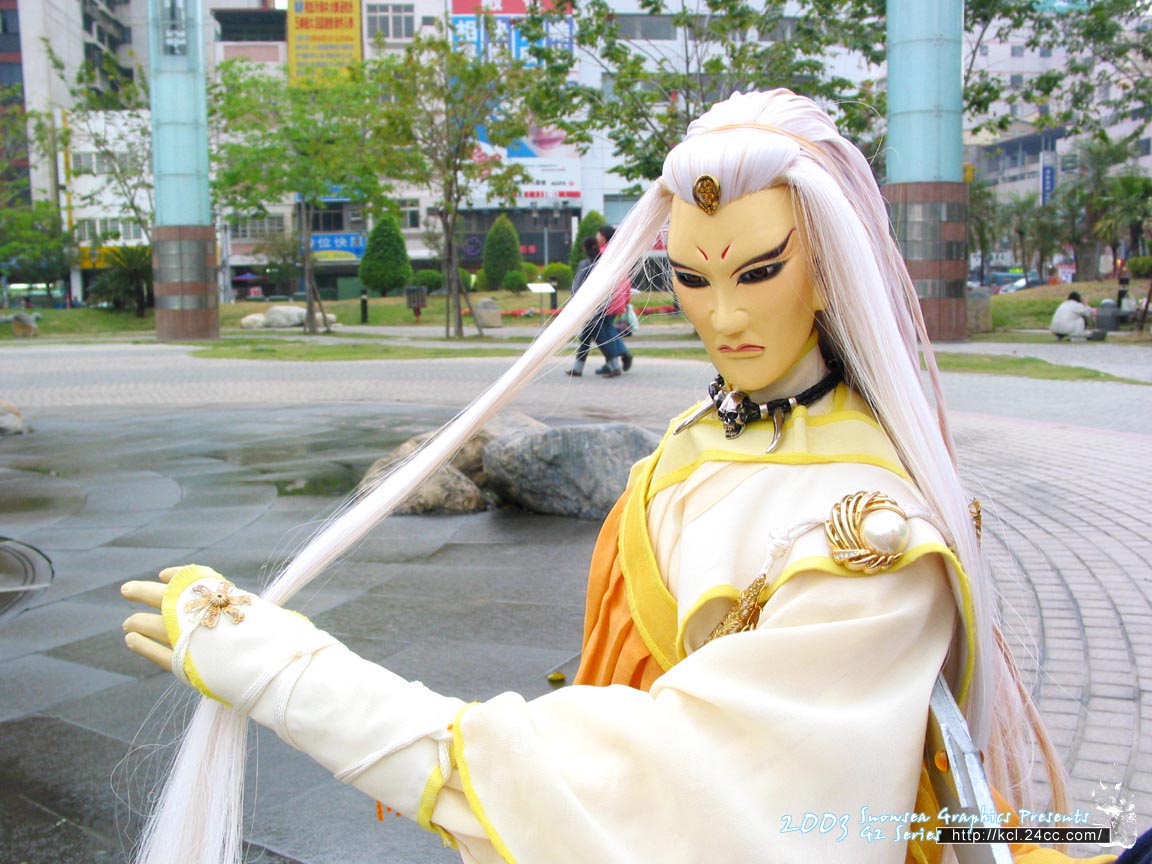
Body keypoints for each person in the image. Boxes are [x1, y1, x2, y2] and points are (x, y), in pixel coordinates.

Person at [121, 90, 1126, 864]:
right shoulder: (703, 431)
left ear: (827, 267)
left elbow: (698, 793)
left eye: (757, 272)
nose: (722, 315)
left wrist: (302, 682)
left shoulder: (871, 537)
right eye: (690, 278)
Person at [591, 225, 635, 377]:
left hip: (609, 298)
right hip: (619, 296)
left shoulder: (604, 253)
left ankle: (615, 360)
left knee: (604, 331)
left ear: (604, 237)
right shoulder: (618, 252)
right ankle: (619, 356)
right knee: (608, 328)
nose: (597, 236)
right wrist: (626, 298)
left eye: (598, 234)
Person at [564, 236, 605, 377]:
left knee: (594, 336)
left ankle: (614, 361)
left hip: (586, 306)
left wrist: (573, 303)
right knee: (588, 336)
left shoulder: (584, 263)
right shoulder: (602, 262)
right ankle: (578, 367)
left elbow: (577, 284)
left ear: (584, 248)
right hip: (599, 304)